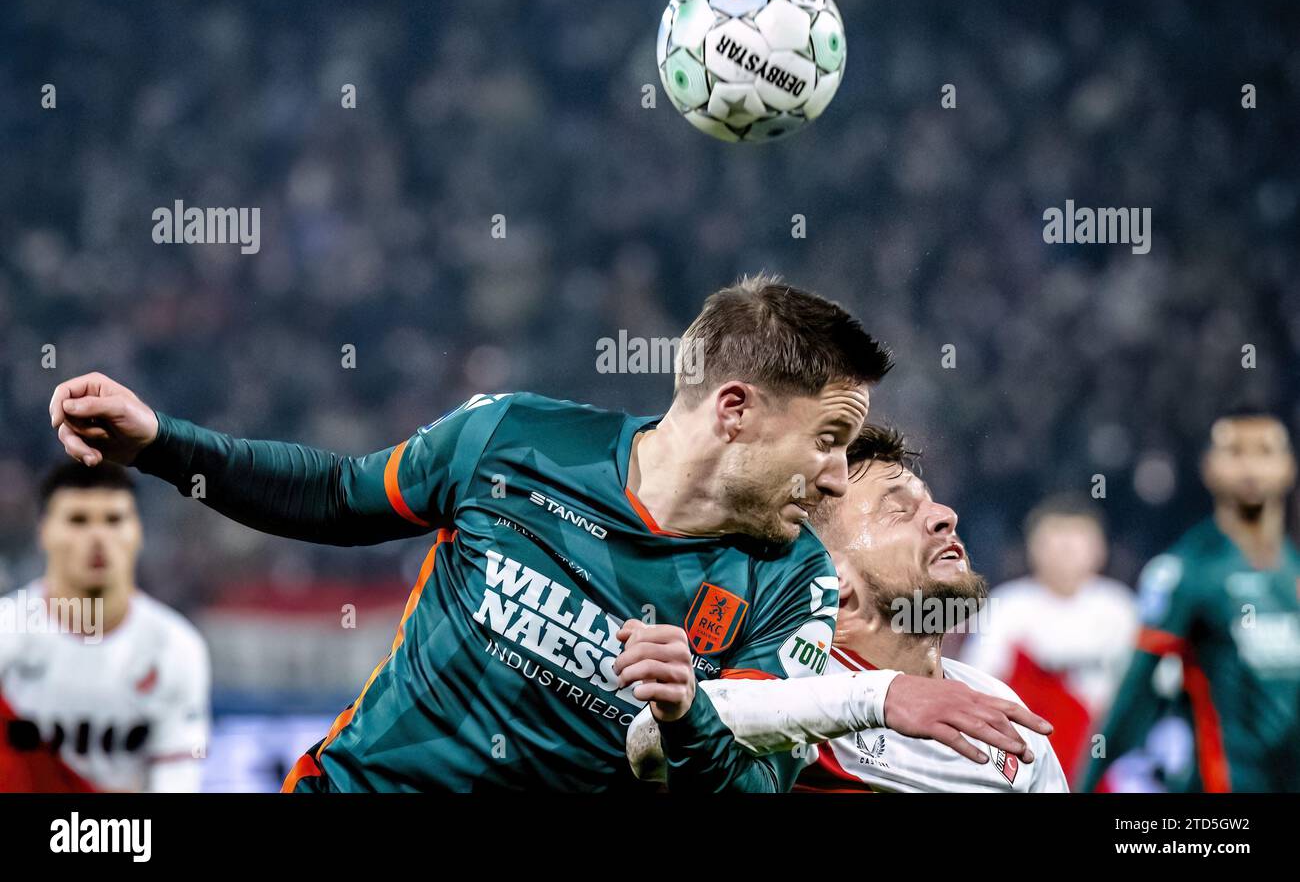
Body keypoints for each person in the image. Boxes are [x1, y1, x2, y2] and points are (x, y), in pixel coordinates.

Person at [49, 275, 1047, 792]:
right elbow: (336, 495)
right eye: (827, 437)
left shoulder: (788, 581)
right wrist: (159, 444)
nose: (837, 471)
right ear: (734, 406)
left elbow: (739, 787)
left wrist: (688, 714)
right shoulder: (511, 437)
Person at [627, 424, 1066, 792]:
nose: (944, 515)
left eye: (931, 500)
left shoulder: (1007, 719)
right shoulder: (789, 679)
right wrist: (880, 697)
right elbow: (649, 740)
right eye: (898, 511)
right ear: (830, 575)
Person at [1082, 407, 1300, 792]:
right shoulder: (1185, 570)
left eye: (1265, 451)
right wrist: (1083, 785)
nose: (1250, 466)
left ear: (1288, 466)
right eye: (1235, 452)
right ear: (1209, 467)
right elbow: (1135, 692)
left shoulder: (1293, 570)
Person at [0, 462, 210, 792]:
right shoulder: (6, 633)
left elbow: (177, 781)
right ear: (44, 531)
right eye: (78, 520)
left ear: (138, 531)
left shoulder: (175, 647)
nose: (98, 537)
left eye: (114, 520)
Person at [962, 494, 1137, 785]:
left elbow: (1140, 690)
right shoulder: (1008, 606)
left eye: (1077, 537)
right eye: (1054, 537)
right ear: (1032, 546)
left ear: (1099, 547)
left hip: (1110, 757)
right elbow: (979, 684)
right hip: (1030, 757)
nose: (1065, 549)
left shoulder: (1120, 609)